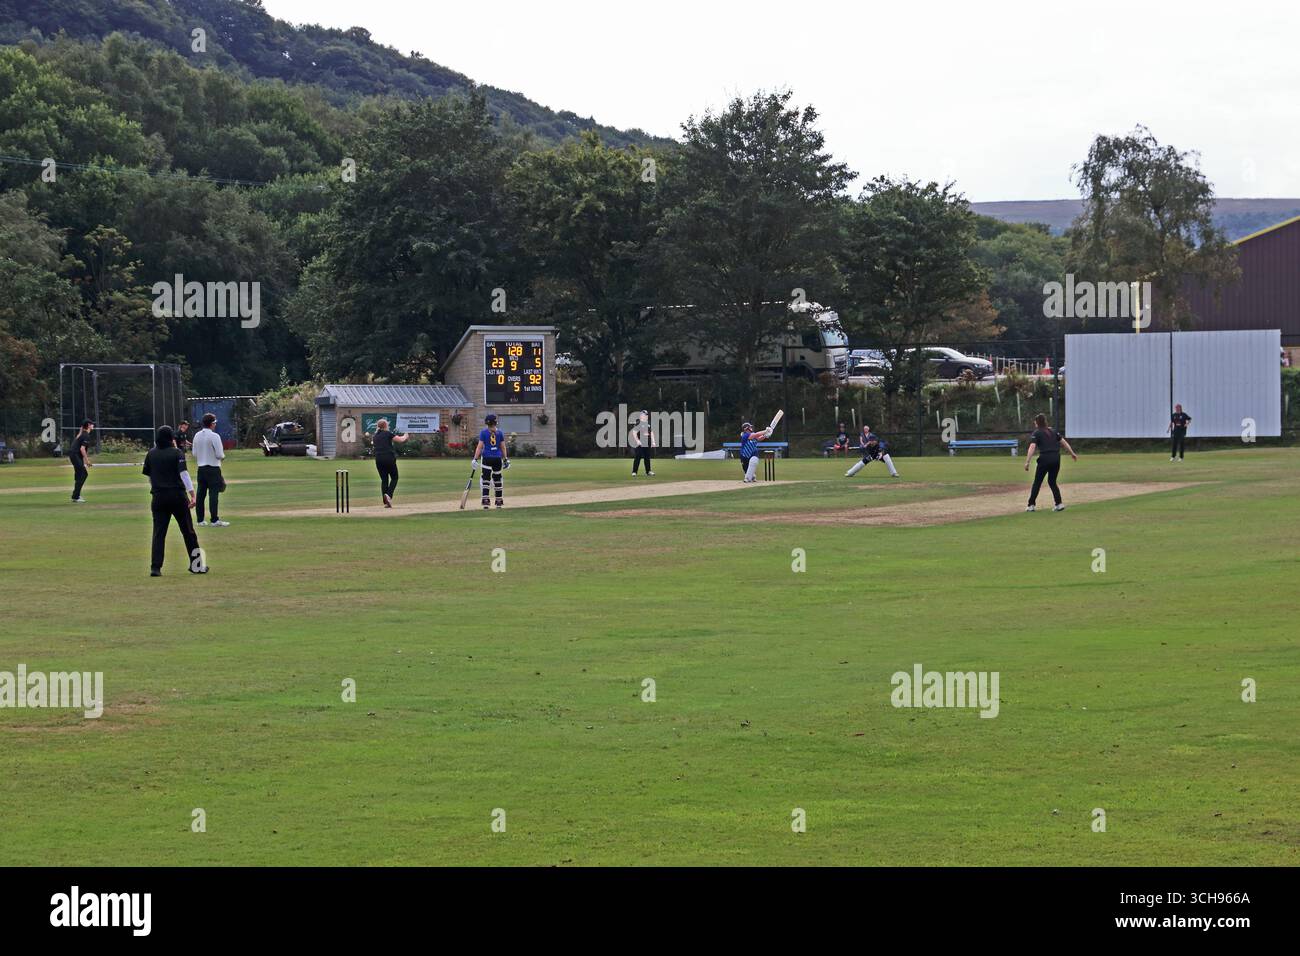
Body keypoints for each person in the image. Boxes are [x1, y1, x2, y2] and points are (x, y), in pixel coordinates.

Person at [142, 425, 206, 576]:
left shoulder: (151, 454)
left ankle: (155, 567)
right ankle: (196, 565)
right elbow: (183, 474)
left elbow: (150, 476)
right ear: (172, 438)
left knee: (159, 533)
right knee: (188, 532)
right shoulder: (177, 453)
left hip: (158, 497)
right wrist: (192, 494)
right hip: (177, 496)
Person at [1024, 413, 1077, 512]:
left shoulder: (1037, 433)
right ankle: (1059, 504)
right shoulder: (1053, 431)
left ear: (1037, 422)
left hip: (1045, 458)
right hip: (1056, 458)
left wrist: (1027, 462)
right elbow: (1063, 442)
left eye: (1035, 421)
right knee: (1052, 481)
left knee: (1037, 482)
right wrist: (1072, 453)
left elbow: (1032, 447)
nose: (1034, 423)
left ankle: (1031, 505)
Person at [193, 412, 228, 526]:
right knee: (213, 494)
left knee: (201, 494)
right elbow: (219, 454)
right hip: (213, 468)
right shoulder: (215, 436)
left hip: (201, 468)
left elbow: (194, 453)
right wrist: (222, 457)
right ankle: (214, 520)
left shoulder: (197, 435)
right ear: (212, 424)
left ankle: (200, 520)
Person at [473, 413, 509, 509]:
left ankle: (485, 501)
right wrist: (506, 459)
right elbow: (503, 447)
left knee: (486, 479)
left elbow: (479, 447)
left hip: (486, 458)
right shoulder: (500, 433)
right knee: (497, 479)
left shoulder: (483, 432)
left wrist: (475, 459)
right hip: (497, 458)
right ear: (495, 423)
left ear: (486, 423)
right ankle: (499, 501)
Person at [371, 418, 409, 508]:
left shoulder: (375, 436)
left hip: (378, 459)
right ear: (385, 426)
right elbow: (400, 440)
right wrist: (406, 435)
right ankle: (388, 495)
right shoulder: (388, 434)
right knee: (395, 477)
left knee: (384, 480)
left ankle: (386, 501)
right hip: (388, 458)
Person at [68, 420, 94, 502]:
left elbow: (77, 439)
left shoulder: (82, 434)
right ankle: (76, 496)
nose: (93, 425)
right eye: (92, 424)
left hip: (74, 455)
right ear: (89, 425)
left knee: (80, 475)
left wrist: (81, 429)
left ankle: (76, 496)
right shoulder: (86, 435)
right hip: (75, 455)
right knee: (83, 474)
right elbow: (82, 449)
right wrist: (87, 461)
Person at [631, 409, 656, 477]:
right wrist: (637, 440)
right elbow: (634, 432)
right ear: (641, 415)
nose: (646, 416)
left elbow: (651, 433)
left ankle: (648, 471)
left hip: (647, 443)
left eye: (647, 415)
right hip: (640, 443)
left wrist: (653, 441)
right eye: (645, 415)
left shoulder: (648, 424)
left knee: (647, 457)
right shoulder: (638, 423)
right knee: (638, 456)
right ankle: (634, 472)